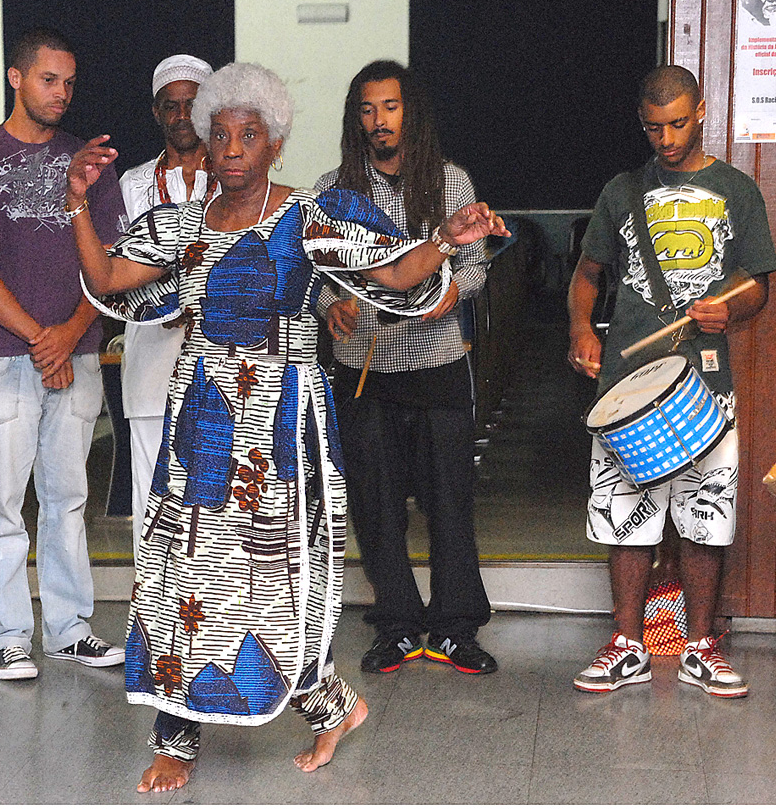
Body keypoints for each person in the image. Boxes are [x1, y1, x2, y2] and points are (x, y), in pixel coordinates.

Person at [66, 62, 507, 792]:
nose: (232, 148)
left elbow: (397, 275)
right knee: (181, 571)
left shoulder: (312, 215)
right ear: (205, 147)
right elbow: (110, 278)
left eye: (250, 134)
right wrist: (78, 204)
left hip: (278, 422)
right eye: (220, 135)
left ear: (275, 144)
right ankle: (177, 733)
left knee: (275, 580)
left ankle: (325, 706)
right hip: (201, 416)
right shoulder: (183, 224)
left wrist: (451, 239)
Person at [567, 65, 776, 698]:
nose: (667, 138)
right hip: (628, 380)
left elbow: (759, 285)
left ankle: (700, 646)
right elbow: (586, 274)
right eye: (654, 127)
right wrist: (582, 330)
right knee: (625, 519)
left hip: (705, 380)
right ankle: (627, 643)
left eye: (679, 124)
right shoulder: (621, 190)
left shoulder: (737, 190)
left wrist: (731, 307)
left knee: (704, 518)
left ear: (703, 111)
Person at [0, 27, 125, 681]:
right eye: (50, 79)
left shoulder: (88, 159)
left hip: (73, 354)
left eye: (70, 82)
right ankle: (7, 637)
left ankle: (70, 629)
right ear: (17, 78)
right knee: (0, 507)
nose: (62, 93)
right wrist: (37, 338)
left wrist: (67, 334)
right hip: (4, 354)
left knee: (67, 499)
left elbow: (108, 267)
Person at [314, 60, 496, 676]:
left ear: (409, 112)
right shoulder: (335, 190)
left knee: (451, 500)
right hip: (365, 372)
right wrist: (330, 304)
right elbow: (315, 276)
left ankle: (455, 627)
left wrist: (454, 292)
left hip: (438, 364)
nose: (378, 121)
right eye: (366, 110)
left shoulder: (451, 183)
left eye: (389, 107)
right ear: (355, 119)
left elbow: (474, 267)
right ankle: (395, 625)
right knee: (376, 505)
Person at [119, 53, 215, 553]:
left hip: (226, 366)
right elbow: (118, 274)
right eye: (170, 107)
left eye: (192, 105)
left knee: (221, 507)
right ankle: (156, 627)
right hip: (152, 363)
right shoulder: (132, 185)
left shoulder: (238, 184)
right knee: (153, 507)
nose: (182, 116)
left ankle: (220, 625)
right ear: (157, 113)